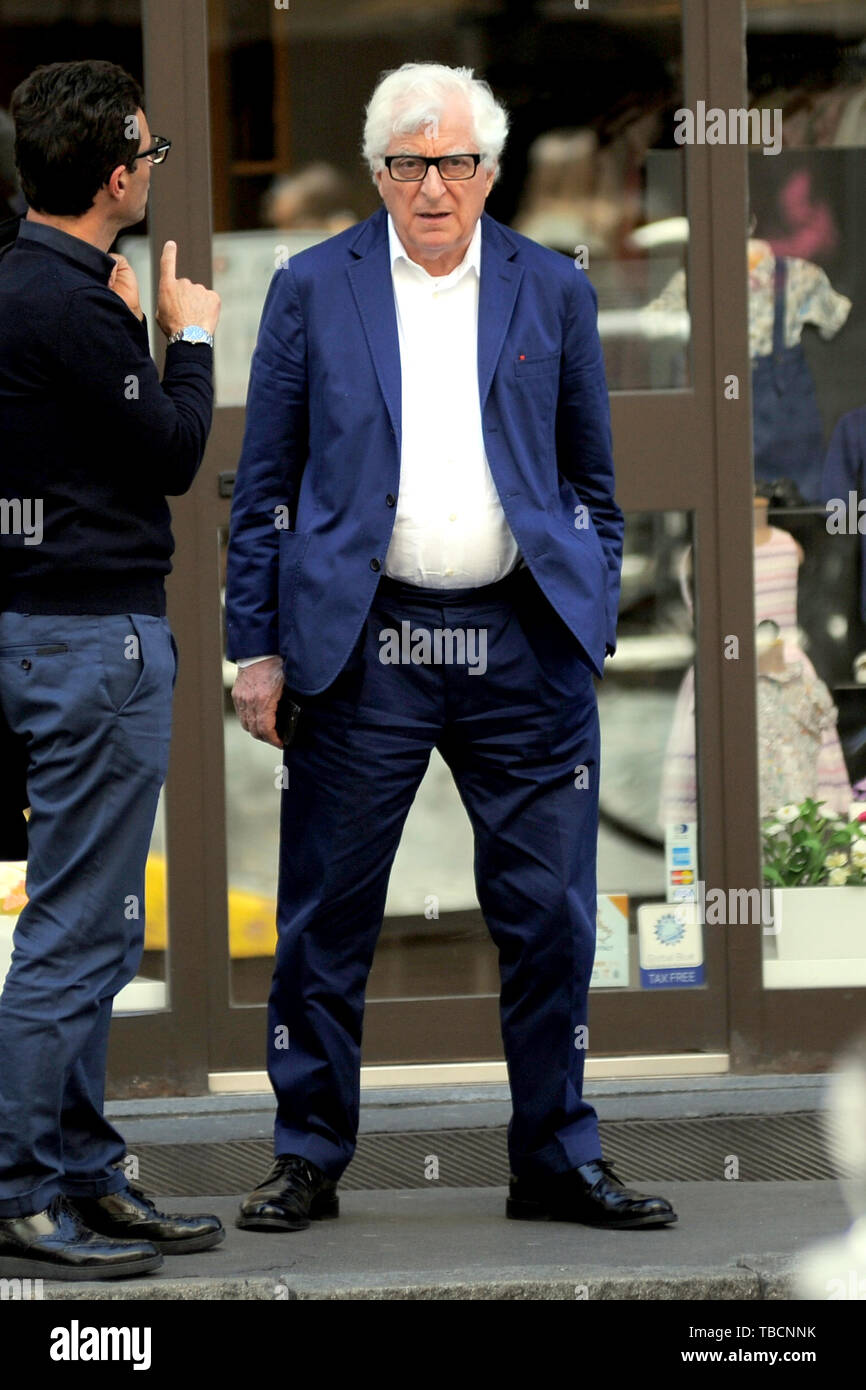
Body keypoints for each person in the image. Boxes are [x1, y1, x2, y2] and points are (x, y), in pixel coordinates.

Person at [227, 61, 676, 1234]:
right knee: (327, 918)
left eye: (458, 161)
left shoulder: (553, 289)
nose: (436, 185)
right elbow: (261, 485)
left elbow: (591, 477)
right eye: (411, 162)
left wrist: (581, 618)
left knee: (549, 916)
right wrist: (255, 649)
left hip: (520, 640)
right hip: (362, 639)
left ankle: (554, 1158)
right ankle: (308, 1156)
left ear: (489, 169)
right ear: (379, 171)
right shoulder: (310, 289)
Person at [0, 59, 223, 1280]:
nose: (150, 167)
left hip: (49, 633)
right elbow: (173, 453)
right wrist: (185, 337)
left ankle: (85, 1170)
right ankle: (22, 1185)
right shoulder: (71, 305)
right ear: (113, 174)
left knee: (83, 924)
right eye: (147, 152)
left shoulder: (34, 284)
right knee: (78, 931)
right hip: (93, 643)